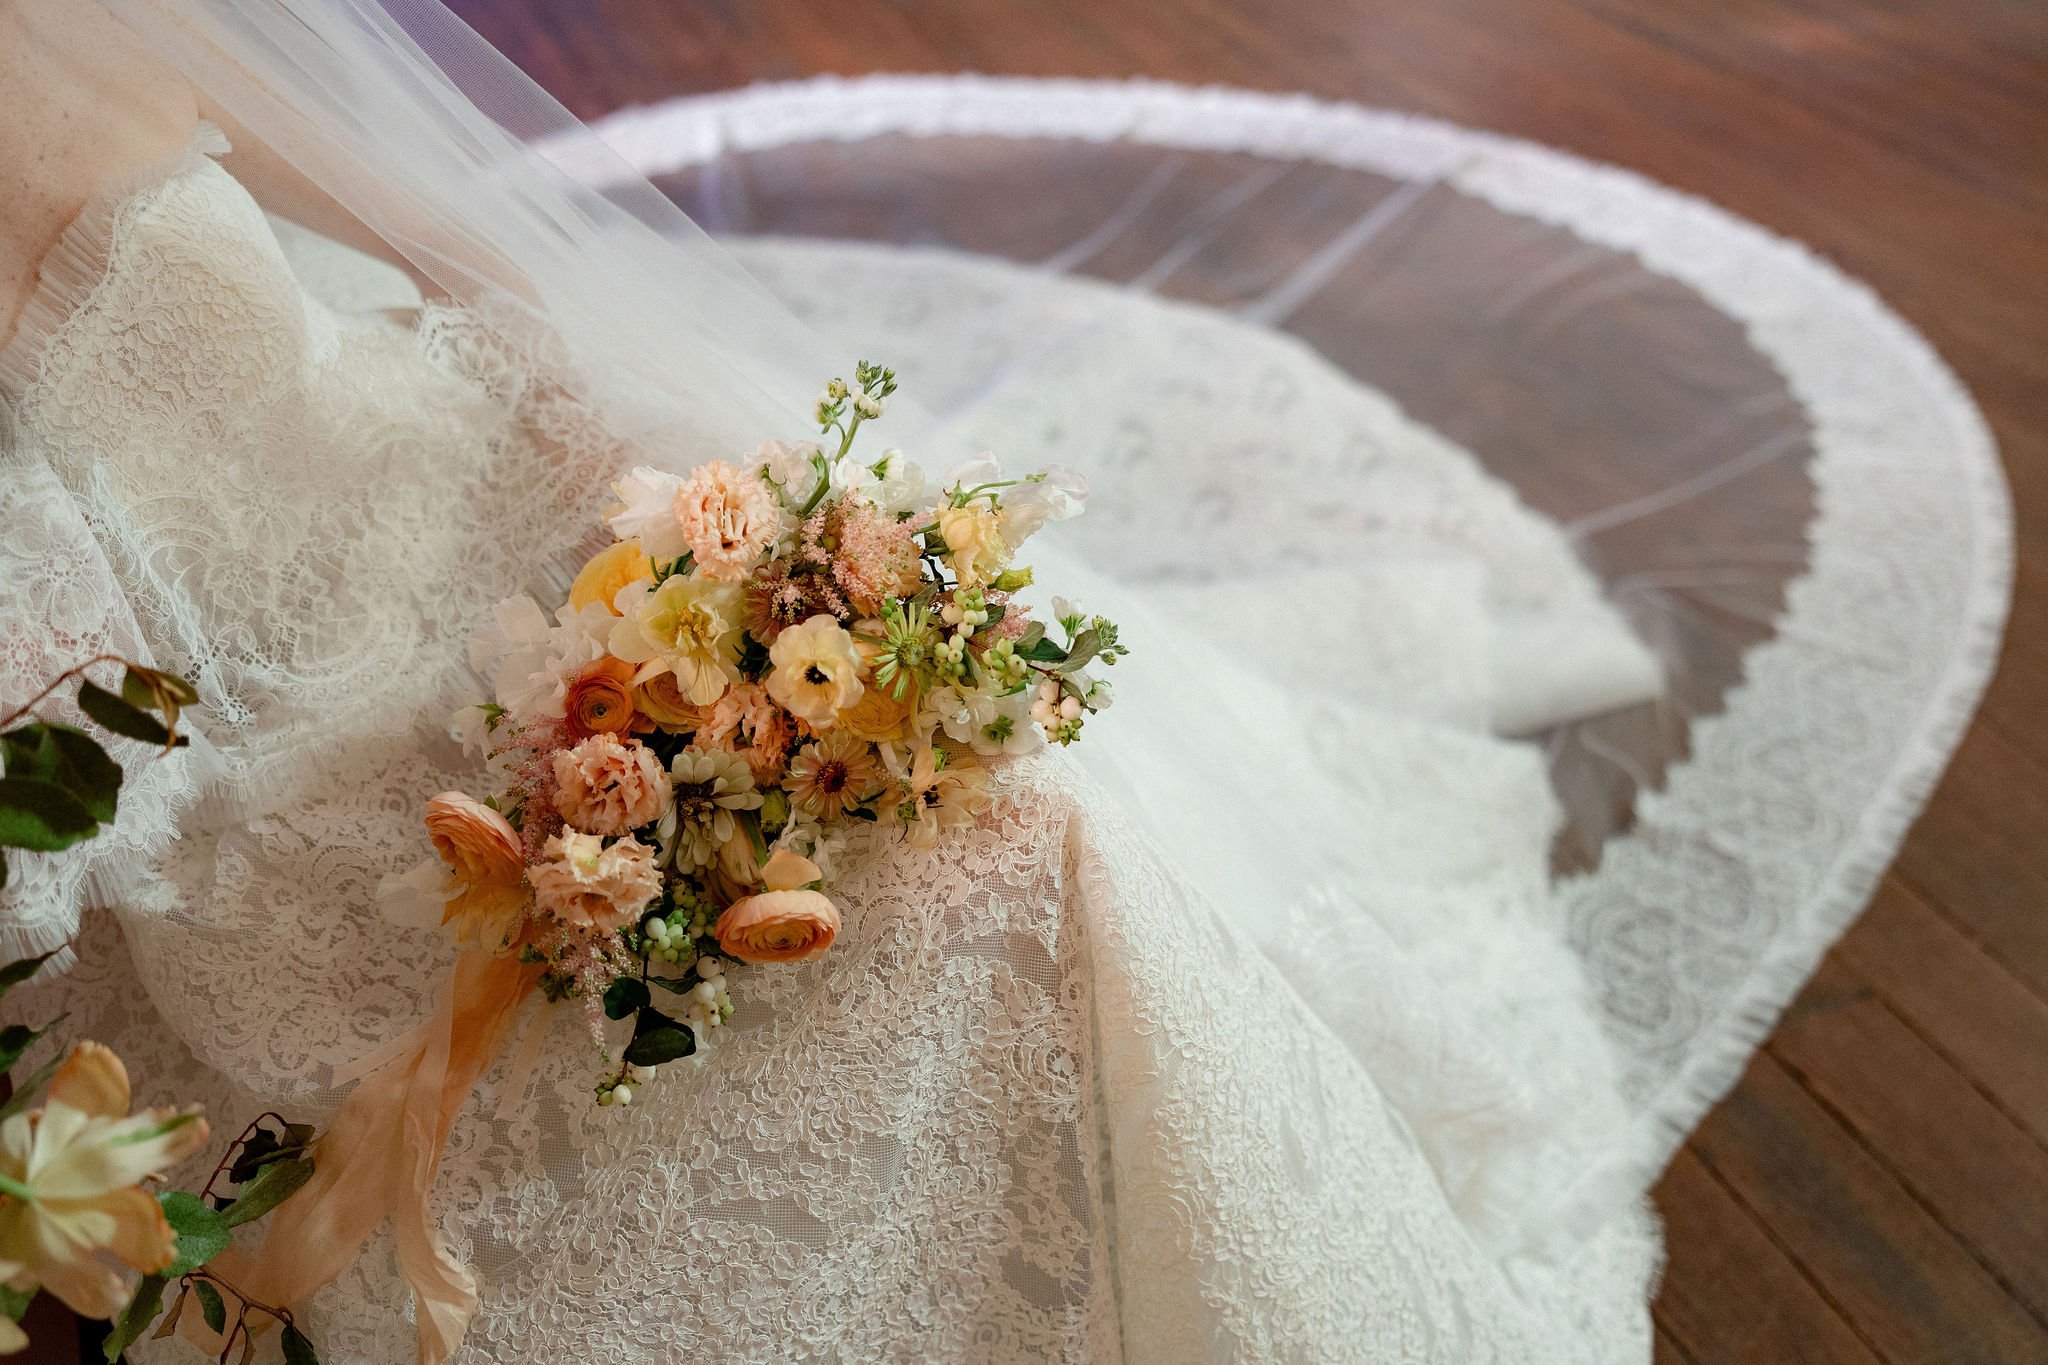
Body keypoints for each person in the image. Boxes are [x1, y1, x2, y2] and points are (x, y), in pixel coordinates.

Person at [0, 1, 1665, 1360]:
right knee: (864, 927)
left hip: (458, 491)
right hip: (244, 692)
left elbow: (437, 231)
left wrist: (628, 450)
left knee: (1019, 821)